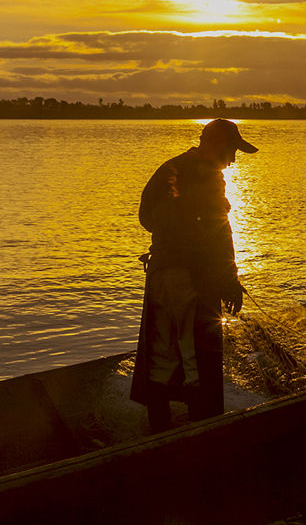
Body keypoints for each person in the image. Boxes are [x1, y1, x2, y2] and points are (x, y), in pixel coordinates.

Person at [130, 118, 257, 431]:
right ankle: (204, 431)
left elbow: (146, 217)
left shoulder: (168, 168)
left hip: (159, 273)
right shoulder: (209, 175)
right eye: (232, 150)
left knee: (162, 351)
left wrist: (172, 240)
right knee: (196, 355)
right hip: (190, 277)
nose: (233, 159)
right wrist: (230, 281)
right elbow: (220, 232)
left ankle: (158, 430)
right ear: (216, 145)